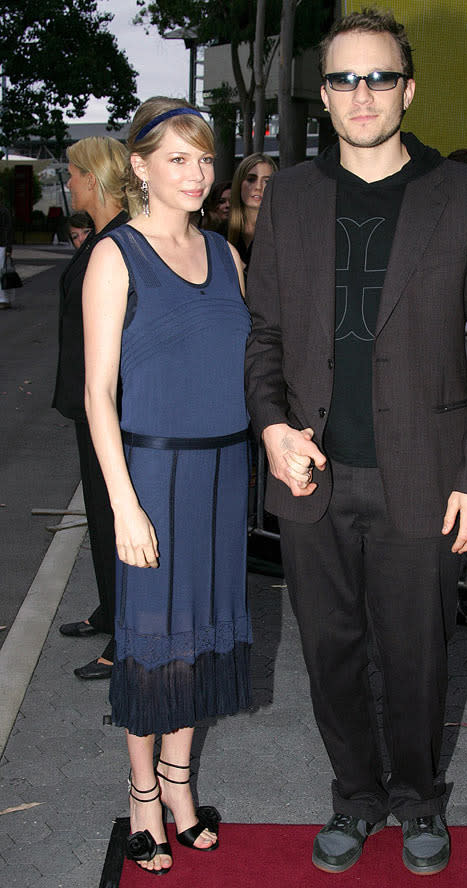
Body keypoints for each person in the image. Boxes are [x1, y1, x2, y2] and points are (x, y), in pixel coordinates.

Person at [245, 9, 467, 878]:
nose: (363, 94)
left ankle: (418, 799)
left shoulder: (465, 194)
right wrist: (274, 426)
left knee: (416, 651)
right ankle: (356, 797)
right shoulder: (288, 194)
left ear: (407, 88)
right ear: (324, 94)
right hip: (313, 473)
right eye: (345, 79)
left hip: (428, 475)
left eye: (380, 77)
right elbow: (266, 335)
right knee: (329, 651)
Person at [83, 96, 252, 875]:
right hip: (153, 473)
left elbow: (248, 364)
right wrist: (123, 503)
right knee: (156, 646)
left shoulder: (225, 252)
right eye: (177, 158)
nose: (196, 173)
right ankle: (141, 797)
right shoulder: (116, 255)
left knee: (205, 636)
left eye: (205, 158)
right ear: (141, 167)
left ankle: (182, 789)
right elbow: (97, 393)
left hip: (224, 471)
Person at [53, 137, 128, 680]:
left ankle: (128, 634)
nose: (70, 184)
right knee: (101, 517)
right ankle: (111, 610)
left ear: (95, 177)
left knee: (112, 514)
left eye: (75, 175)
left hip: (112, 404)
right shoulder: (101, 237)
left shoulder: (120, 241)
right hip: (91, 401)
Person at [227, 152, 277, 269]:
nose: (258, 187)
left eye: (267, 181)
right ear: (239, 183)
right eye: (251, 179)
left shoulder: (283, 232)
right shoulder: (220, 232)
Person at [0, 189, 13, 309]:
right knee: (2, 272)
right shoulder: (4, 211)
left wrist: (8, 248)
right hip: (2, 245)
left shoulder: (3, 211)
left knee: (2, 272)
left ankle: (3, 299)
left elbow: (7, 231)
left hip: (2, 246)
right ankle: (4, 299)